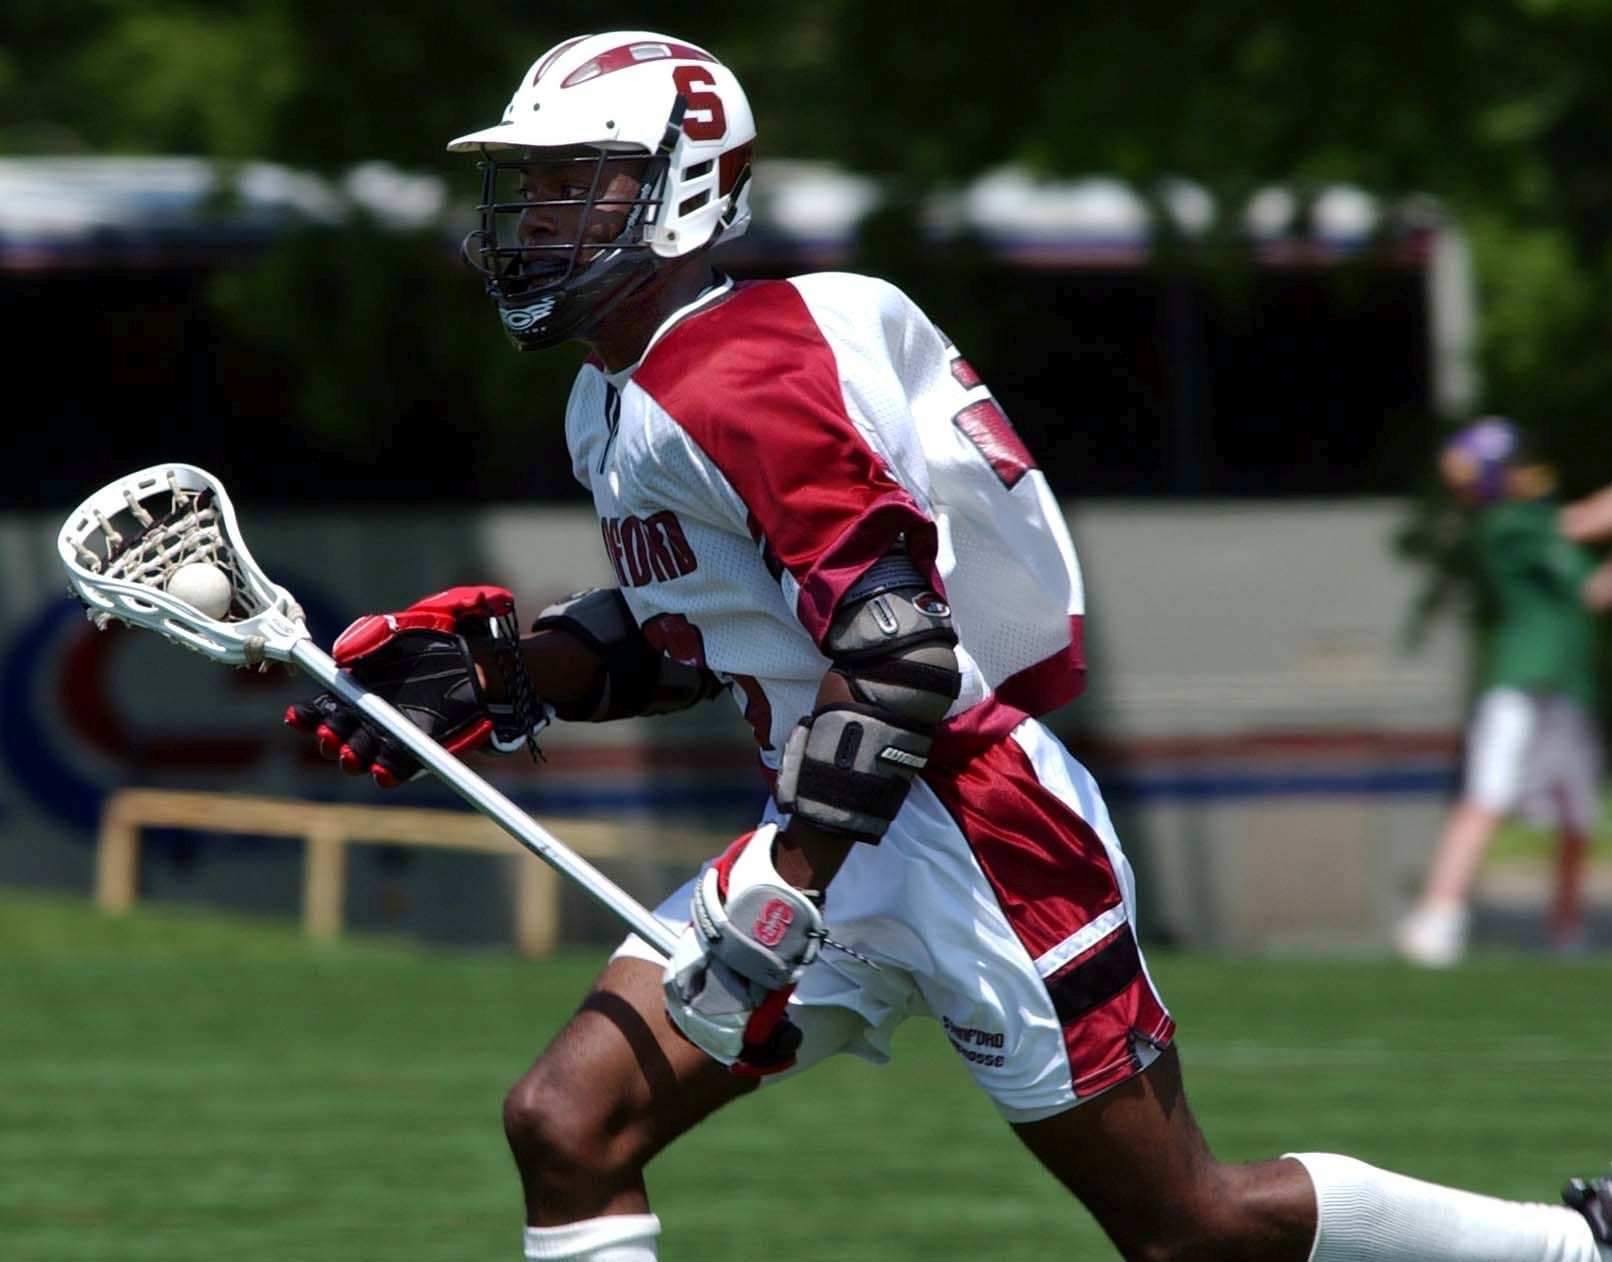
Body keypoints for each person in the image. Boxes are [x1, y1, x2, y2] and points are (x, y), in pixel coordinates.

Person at [285, 32, 1611, 1262]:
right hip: (843, 818)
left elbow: (899, 655)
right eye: (531, 187)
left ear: (682, 187)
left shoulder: (738, 372)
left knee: (1190, 1228)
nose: (536, 219)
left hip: (972, 825)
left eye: (576, 182)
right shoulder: (615, 396)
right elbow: (707, 636)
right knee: (569, 1123)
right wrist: (513, 673)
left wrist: (787, 878)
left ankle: (1570, 1247)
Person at [1397, 418, 1606, 967]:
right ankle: (1436, 917)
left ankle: (1566, 932)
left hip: (1567, 686)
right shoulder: (1508, 524)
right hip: (1520, 682)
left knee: (1577, 814)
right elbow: (1588, 520)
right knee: (1486, 797)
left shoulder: (1536, 527)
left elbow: (1594, 588)